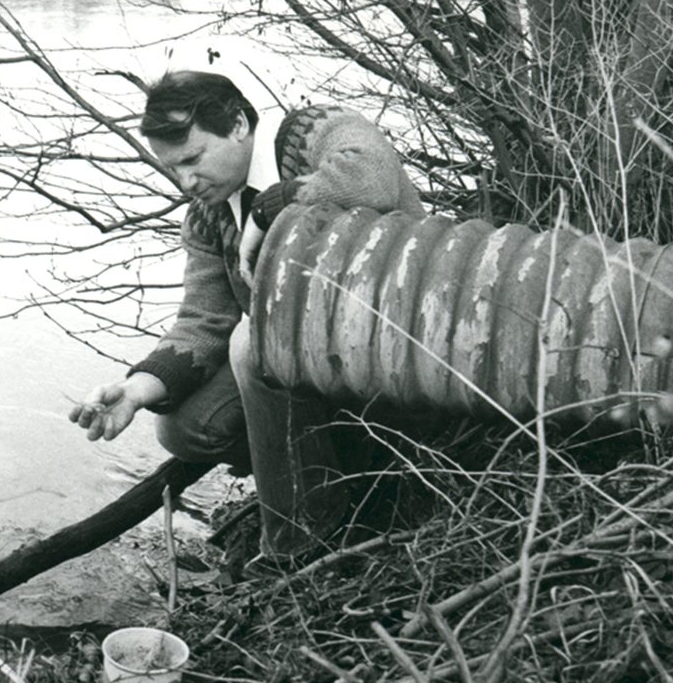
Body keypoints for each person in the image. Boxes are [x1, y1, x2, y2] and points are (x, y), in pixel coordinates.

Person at [69, 69, 423, 564]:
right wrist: (135, 389)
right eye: (174, 169)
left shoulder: (316, 131)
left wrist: (268, 211)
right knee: (181, 429)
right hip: (310, 364)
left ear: (237, 124)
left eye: (193, 159)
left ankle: (298, 540)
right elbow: (202, 320)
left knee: (252, 343)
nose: (187, 181)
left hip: (402, 343)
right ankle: (325, 474)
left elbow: (375, 181)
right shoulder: (206, 214)